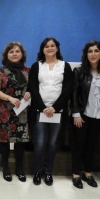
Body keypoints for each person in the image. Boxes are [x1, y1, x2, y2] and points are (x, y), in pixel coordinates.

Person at [28, 37, 73, 186]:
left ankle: (48, 172)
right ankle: (37, 171)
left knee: (53, 143)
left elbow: (67, 89)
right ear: (42, 49)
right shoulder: (37, 66)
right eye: (46, 46)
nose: (50, 48)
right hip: (40, 111)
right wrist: (43, 108)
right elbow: (33, 88)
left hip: (57, 112)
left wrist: (55, 107)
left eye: (52, 46)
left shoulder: (65, 66)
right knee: (40, 142)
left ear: (57, 48)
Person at [70, 41, 100, 189]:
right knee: (78, 145)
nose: (93, 54)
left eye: (96, 51)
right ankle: (75, 173)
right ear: (86, 54)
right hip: (82, 115)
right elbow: (74, 93)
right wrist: (76, 113)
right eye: (90, 51)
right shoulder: (79, 71)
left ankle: (87, 172)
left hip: (98, 116)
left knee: (91, 145)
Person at [0, 42, 31, 182]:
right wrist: (9, 97)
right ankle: (5, 168)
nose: (14, 53)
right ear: (6, 55)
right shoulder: (0, 71)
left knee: (20, 142)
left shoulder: (28, 71)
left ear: (22, 54)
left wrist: (29, 94)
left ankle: (19, 168)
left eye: (17, 51)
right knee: (4, 141)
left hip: (22, 111)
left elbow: (32, 88)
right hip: (5, 111)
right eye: (11, 51)